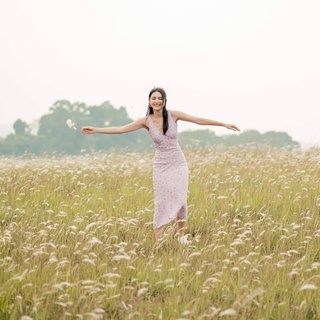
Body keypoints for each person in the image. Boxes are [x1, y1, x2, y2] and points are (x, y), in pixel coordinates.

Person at [82, 87, 240, 245]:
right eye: (154, 98)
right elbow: (121, 129)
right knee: (161, 202)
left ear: (164, 101)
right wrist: (96, 130)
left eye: (160, 98)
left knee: (180, 199)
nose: (157, 101)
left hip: (178, 162)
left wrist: (223, 124)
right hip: (161, 165)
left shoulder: (174, 115)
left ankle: (181, 238)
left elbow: (198, 120)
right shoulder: (145, 121)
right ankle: (158, 242)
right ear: (149, 101)